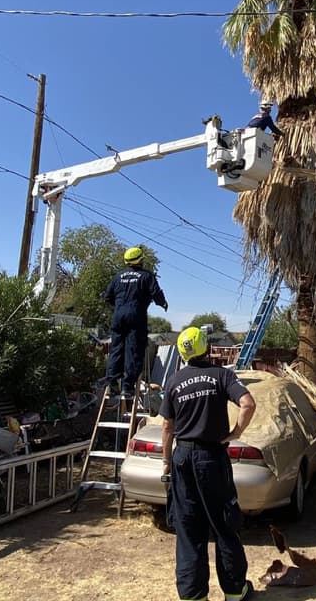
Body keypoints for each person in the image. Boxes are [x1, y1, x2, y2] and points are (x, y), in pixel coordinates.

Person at [161, 327, 257, 601]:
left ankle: (193, 596)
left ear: (182, 353)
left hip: (183, 457)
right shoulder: (222, 375)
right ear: (208, 348)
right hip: (211, 458)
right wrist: (236, 433)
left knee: (188, 529)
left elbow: (168, 426)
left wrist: (167, 462)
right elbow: (248, 404)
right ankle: (236, 592)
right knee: (224, 525)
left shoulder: (175, 380)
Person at [101, 246, 168, 397]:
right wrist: (163, 303)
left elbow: (107, 296)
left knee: (116, 349)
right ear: (141, 260)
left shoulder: (118, 276)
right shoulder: (146, 276)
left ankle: (112, 384)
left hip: (118, 316)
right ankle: (127, 387)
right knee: (133, 351)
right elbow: (156, 294)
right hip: (136, 316)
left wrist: (119, 306)